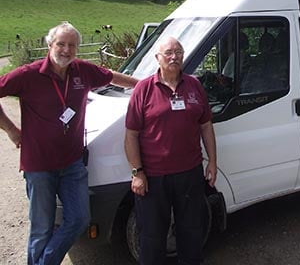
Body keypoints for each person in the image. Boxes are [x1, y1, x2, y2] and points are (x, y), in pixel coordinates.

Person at [0, 21, 138, 265]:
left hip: (72, 165)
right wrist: (11, 130)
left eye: (71, 45)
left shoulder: (81, 70)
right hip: (38, 166)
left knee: (79, 219)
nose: (66, 50)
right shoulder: (27, 75)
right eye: (61, 44)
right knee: (42, 228)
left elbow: (112, 77)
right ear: (50, 45)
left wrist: (143, 85)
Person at [124, 36, 217, 265]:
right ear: (158, 57)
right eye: (168, 52)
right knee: (152, 237)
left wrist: (212, 162)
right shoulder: (143, 89)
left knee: (192, 232)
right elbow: (131, 135)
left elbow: (206, 126)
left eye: (178, 52)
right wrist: (137, 172)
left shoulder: (195, 86)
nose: (174, 56)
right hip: (154, 178)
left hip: (190, 174)